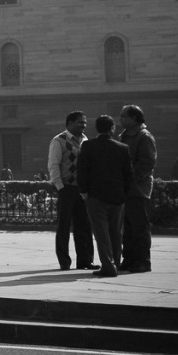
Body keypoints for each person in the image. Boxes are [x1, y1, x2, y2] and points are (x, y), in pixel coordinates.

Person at [77, 115, 134, 278]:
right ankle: (115, 263)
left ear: (97, 129)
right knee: (116, 232)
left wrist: (83, 191)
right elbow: (128, 174)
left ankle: (108, 266)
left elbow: (82, 170)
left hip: (95, 196)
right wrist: (124, 193)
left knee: (101, 233)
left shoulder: (88, 146)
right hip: (117, 197)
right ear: (112, 128)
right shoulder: (123, 148)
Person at [48, 110, 98, 271]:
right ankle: (64, 261)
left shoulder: (85, 140)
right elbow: (53, 165)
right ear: (69, 123)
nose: (83, 125)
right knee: (64, 226)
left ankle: (85, 260)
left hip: (82, 189)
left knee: (84, 225)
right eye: (80, 122)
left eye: (84, 123)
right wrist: (60, 186)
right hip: (66, 188)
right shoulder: (59, 140)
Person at [119, 104, 157, 273]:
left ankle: (142, 261)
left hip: (138, 189)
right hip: (125, 189)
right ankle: (128, 258)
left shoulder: (144, 136)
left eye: (124, 116)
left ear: (134, 118)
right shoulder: (123, 136)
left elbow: (147, 163)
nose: (120, 119)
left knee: (139, 227)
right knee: (127, 228)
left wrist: (131, 179)